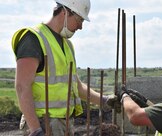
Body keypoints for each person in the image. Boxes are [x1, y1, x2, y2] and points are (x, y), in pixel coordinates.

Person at [11, 0, 119, 135]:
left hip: (64, 123)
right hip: (43, 124)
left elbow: (77, 87)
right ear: (65, 11)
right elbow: (22, 86)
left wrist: (105, 100)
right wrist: (35, 130)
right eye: (80, 19)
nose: (80, 27)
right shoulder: (33, 39)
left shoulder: (67, 45)